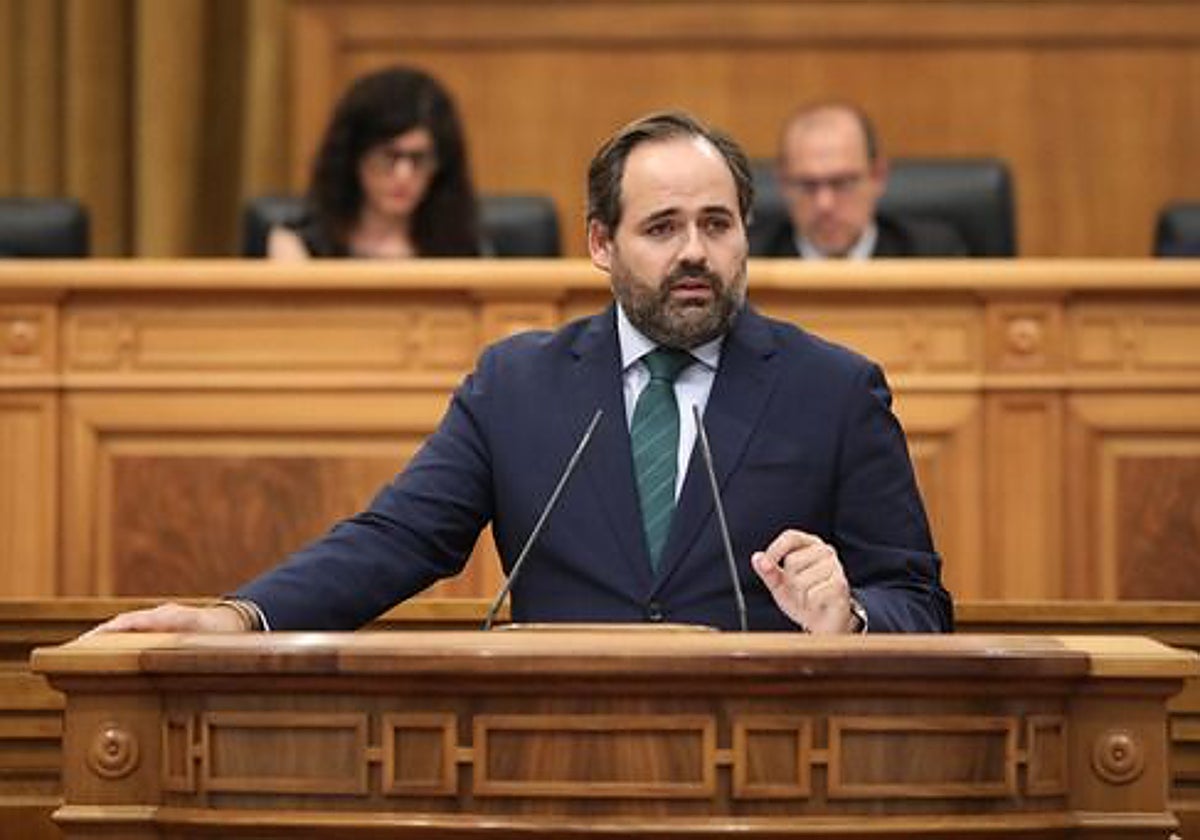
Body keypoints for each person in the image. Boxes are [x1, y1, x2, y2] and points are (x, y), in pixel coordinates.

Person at [92, 111, 952, 637]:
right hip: (557, 756)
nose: (695, 251)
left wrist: (854, 616)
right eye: (662, 228)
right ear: (601, 244)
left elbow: (918, 600)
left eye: (717, 224)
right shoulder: (519, 386)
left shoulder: (832, 390)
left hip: (767, 768)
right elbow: (399, 539)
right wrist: (238, 617)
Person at [268, 65, 482, 259]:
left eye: (419, 159)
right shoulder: (298, 245)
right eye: (388, 157)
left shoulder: (462, 247)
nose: (403, 174)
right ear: (353, 157)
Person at [752, 102, 968, 259]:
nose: (824, 204)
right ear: (782, 183)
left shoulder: (932, 254)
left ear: (878, 176)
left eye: (842, 183)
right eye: (808, 186)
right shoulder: (749, 262)